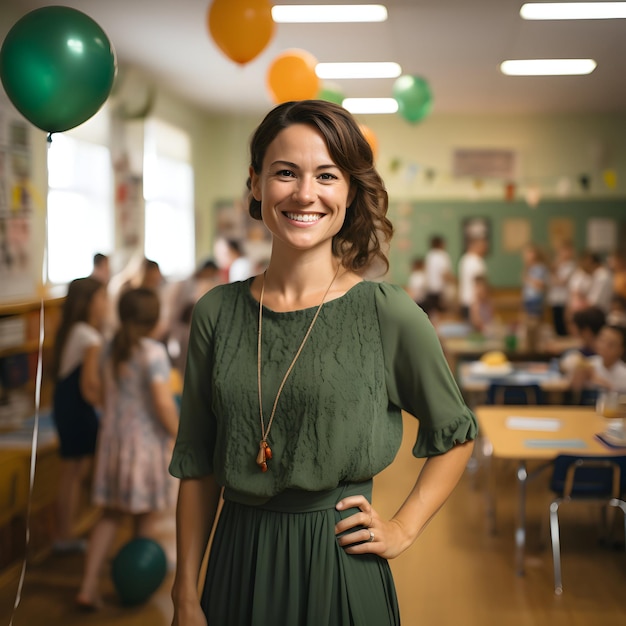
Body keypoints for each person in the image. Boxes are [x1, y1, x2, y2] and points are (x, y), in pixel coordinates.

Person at [169, 100, 477, 626]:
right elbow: (197, 465)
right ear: (256, 183)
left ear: (350, 191)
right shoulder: (216, 313)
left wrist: (403, 527)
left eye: (326, 175)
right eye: (285, 172)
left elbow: (456, 433)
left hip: (338, 566)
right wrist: (184, 596)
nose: (304, 193)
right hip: (236, 564)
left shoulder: (388, 313)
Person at [76, 288, 179, 609]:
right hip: (144, 448)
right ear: (154, 318)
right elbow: (163, 404)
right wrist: (181, 433)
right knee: (144, 515)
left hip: (113, 444)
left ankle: (88, 586)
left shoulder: (109, 348)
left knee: (109, 515)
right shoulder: (153, 352)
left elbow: (97, 394)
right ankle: (135, 585)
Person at [50, 277, 107, 552]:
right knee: (74, 472)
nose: (106, 303)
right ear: (89, 303)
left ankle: (65, 531)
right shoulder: (89, 336)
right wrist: (111, 408)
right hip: (78, 407)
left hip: (65, 405)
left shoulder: (73, 330)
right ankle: (66, 533)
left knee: (71, 471)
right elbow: (89, 387)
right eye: (102, 298)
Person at [568, 324, 626, 394]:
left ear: (621, 349)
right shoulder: (589, 363)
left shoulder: (623, 373)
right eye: (602, 340)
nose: (604, 346)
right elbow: (573, 390)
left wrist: (594, 378)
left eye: (611, 344)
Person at [547, 241, 576, 336]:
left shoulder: (571, 265)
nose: (562, 254)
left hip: (565, 299)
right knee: (556, 324)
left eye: (565, 251)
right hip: (555, 299)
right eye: (561, 251)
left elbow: (561, 282)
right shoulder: (559, 265)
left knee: (563, 325)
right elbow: (551, 281)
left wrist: (554, 271)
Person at [458, 237, 488, 321]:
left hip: (464, 300)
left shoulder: (463, 260)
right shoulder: (477, 261)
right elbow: (480, 285)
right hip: (475, 303)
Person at [423, 235, 453, 314]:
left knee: (433, 314)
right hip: (440, 290)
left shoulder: (429, 256)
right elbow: (445, 274)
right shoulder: (442, 255)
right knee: (442, 314)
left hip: (430, 289)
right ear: (441, 244)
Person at [521, 243, 548, 319]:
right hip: (528, 299)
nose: (527, 255)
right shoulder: (529, 268)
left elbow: (542, 285)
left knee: (534, 323)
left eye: (530, 252)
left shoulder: (540, 267)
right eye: (526, 253)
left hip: (536, 299)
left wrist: (528, 279)